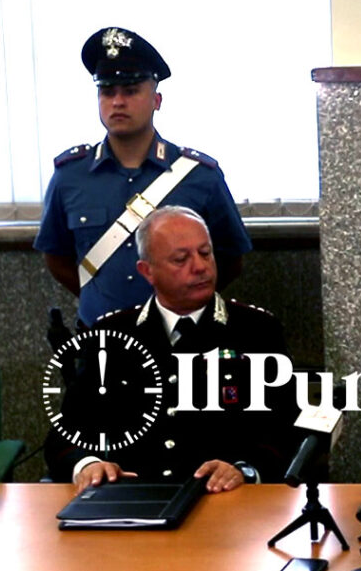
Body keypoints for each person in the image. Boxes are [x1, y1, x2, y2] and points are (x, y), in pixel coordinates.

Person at [45, 206, 298, 493]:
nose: (200, 267)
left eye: (205, 253)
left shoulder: (256, 330)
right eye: (181, 259)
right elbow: (66, 433)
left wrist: (246, 469)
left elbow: (288, 427)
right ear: (147, 271)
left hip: (223, 499)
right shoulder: (112, 334)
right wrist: (87, 465)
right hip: (132, 498)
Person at [35, 26, 251, 328]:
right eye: (107, 92)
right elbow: (56, 257)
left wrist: (185, 301)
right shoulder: (70, 176)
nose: (117, 102)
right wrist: (99, 300)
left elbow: (230, 259)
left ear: (156, 100)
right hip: (100, 337)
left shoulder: (199, 177)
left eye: (131, 90)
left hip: (179, 335)